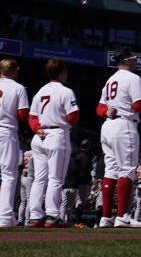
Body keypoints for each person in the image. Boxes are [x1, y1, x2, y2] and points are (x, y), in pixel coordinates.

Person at [96, 46, 141, 228]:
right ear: (126, 60)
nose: (136, 61)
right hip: (125, 123)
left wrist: (107, 110)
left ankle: (106, 217)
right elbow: (140, 105)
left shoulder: (110, 80)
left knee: (110, 171)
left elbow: (99, 108)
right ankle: (123, 216)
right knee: (127, 170)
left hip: (108, 125)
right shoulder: (133, 78)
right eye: (133, 58)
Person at [27, 57, 79, 228]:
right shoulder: (66, 91)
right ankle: (52, 216)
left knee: (39, 179)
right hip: (57, 134)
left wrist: (37, 128)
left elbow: (32, 117)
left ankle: (35, 217)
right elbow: (73, 117)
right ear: (62, 72)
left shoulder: (40, 91)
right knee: (55, 179)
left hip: (40, 135)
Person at [0, 59, 28, 227]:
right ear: (14, 71)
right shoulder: (18, 88)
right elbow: (23, 114)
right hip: (6, 130)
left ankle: (8, 217)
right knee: (9, 174)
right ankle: (4, 215)